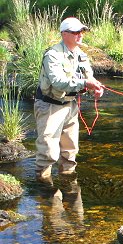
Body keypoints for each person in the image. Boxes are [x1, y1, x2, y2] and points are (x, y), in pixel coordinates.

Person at [34, 17, 103, 181]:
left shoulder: (82, 55)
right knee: (48, 153)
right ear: (64, 34)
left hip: (70, 106)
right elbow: (58, 82)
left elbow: (88, 78)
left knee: (70, 150)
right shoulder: (52, 55)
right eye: (75, 32)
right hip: (50, 106)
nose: (80, 35)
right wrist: (86, 83)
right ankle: (45, 193)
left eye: (82, 31)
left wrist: (95, 89)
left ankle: (70, 189)